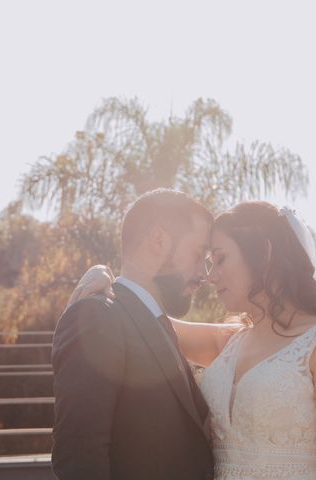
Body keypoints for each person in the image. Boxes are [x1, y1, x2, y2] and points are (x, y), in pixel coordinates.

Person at [71, 200, 316, 480]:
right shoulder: (229, 342)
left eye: (220, 259)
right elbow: (141, 315)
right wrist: (105, 280)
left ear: (263, 255)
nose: (210, 276)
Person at [51, 189, 215, 480]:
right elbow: (79, 458)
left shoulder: (158, 324)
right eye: (199, 254)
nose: (205, 273)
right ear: (159, 240)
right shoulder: (97, 315)